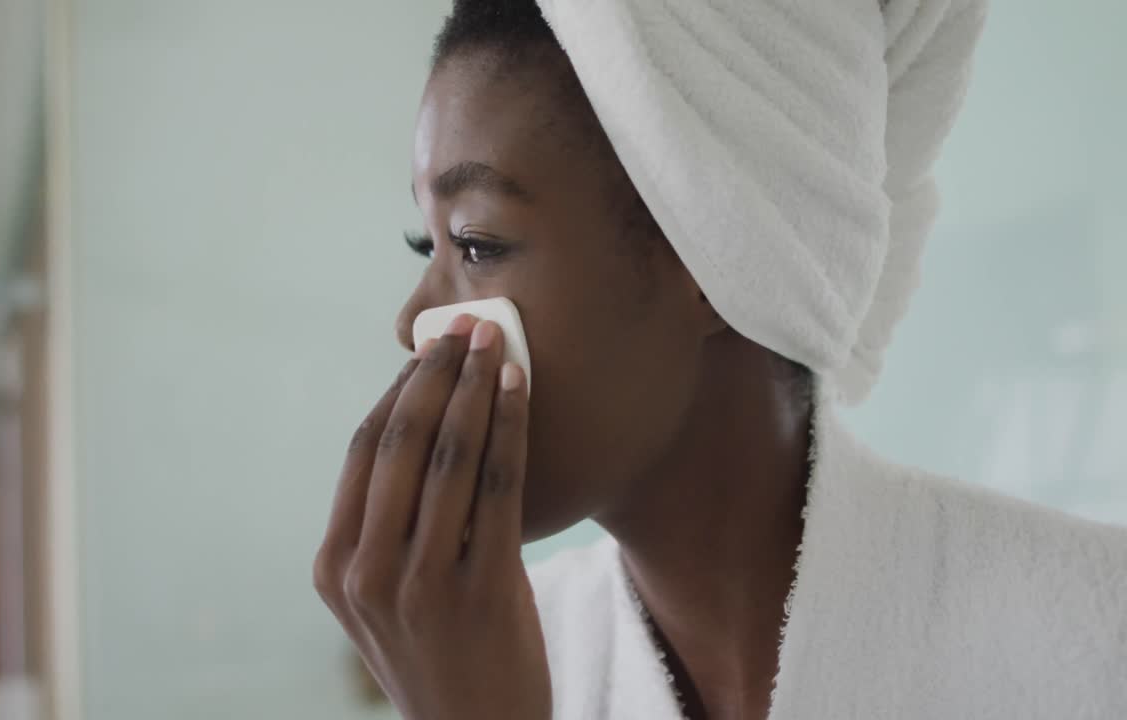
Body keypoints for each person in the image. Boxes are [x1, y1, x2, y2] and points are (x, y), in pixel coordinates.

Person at [313, 1, 1127, 718]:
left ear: (712, 253)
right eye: (428, 242)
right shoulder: (492, 657)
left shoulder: (1097, 636)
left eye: (475, 243)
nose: (416, 318)